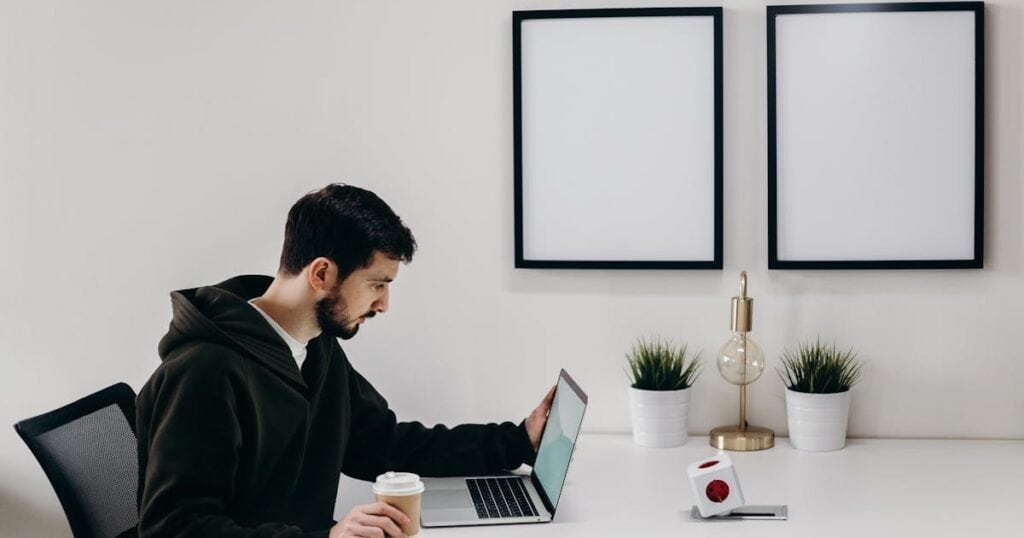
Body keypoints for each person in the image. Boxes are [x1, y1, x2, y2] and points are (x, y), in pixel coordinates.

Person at [136, 184, 555, 537]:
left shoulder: (316, 347)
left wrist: (517, 441)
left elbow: (382, 443)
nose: (384, 303)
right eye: (377, 284)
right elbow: (174, 526)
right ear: (321, 274)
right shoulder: (204, 371)